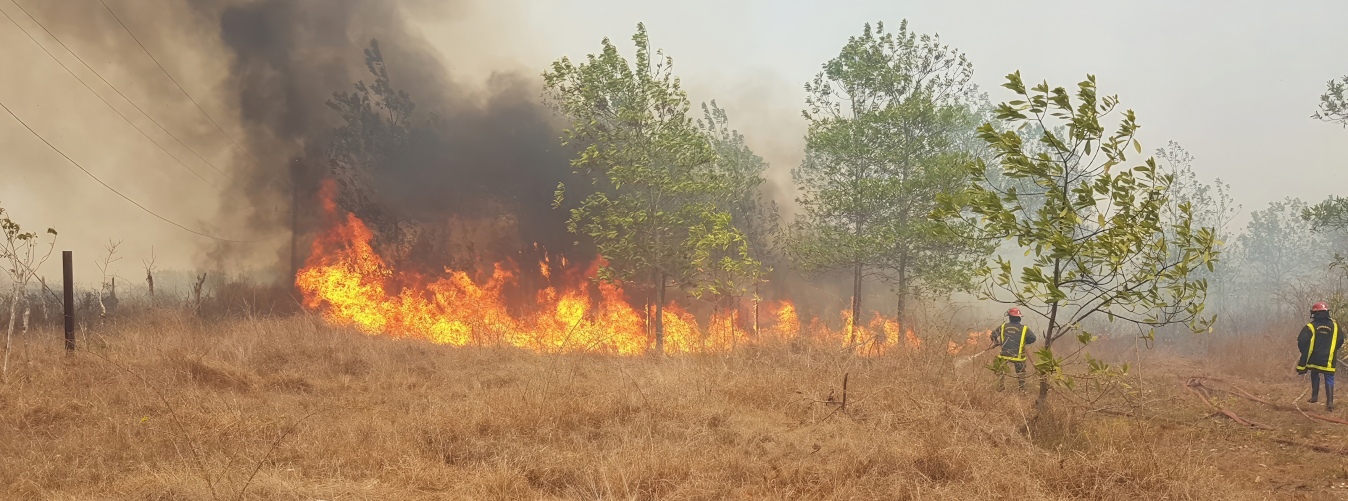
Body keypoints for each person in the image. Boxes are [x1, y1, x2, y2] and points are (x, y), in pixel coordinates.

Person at [1297, 301, 1343, 411]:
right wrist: (1332, 350)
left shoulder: (1310, 326)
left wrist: (1305, 352)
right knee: (1329, 378)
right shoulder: (1335, 326)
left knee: (1314, 373)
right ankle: (1330, 403)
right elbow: (1341, 340)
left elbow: (1301, 341)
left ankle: (1314, 397)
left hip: (1314, 359)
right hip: (1329, 359)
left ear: (1315, 314)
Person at [990, 307, 1036, 391]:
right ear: (1019, 318)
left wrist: (996, 342)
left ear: (1009, 317)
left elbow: (993, 335)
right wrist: (1023, 343)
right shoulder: (1024, 328)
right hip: (1018, 356)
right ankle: (1021, 390)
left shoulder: (1003, 326)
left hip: (1004, 355)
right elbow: (1033, 338)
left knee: (1001, 370)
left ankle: (1000, 388)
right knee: (1021, 373)